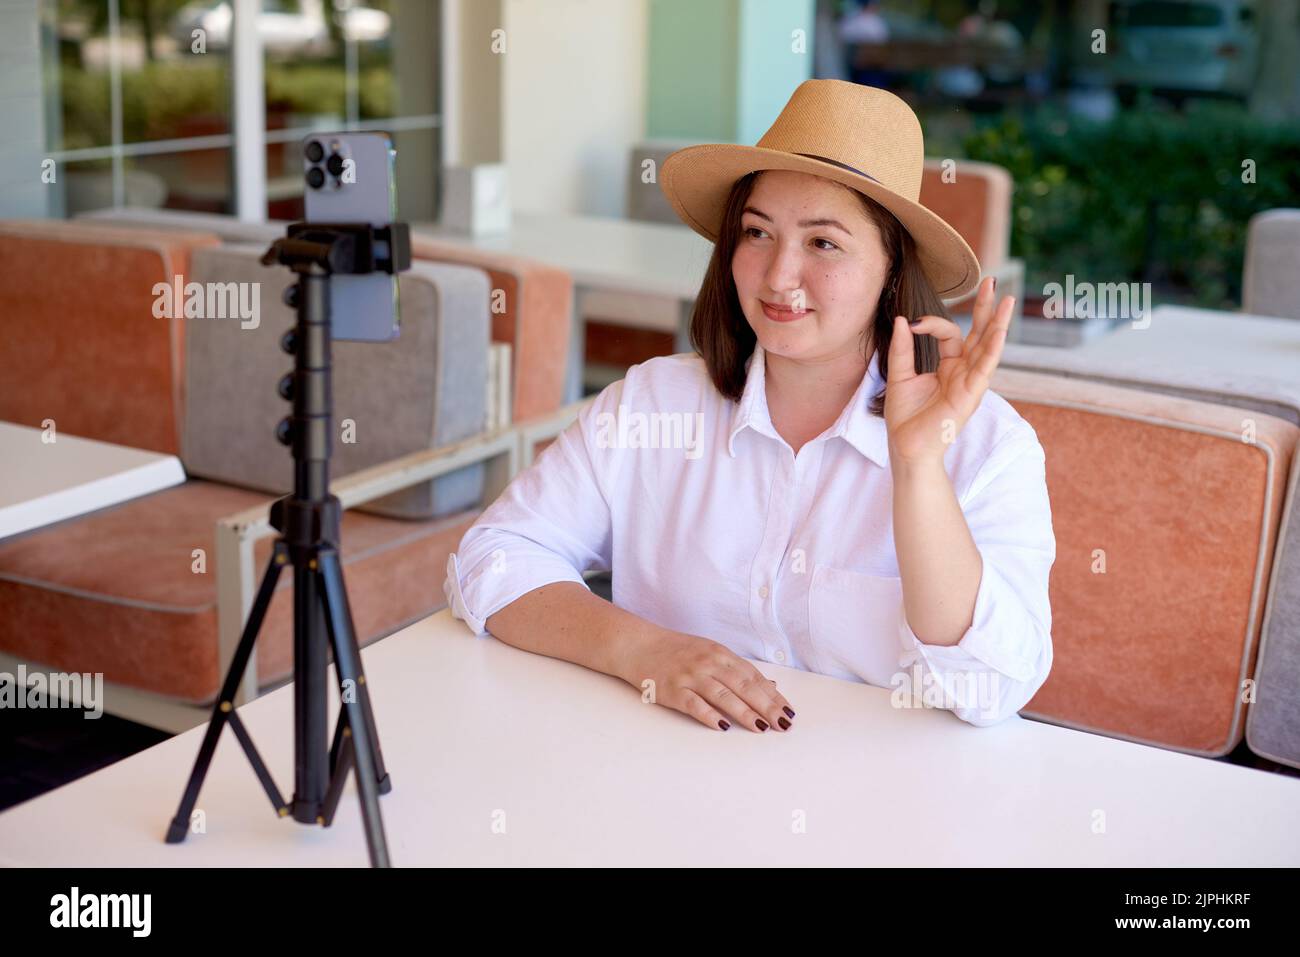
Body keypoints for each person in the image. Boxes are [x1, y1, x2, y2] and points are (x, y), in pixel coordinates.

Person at [444, 79, 1055, 733]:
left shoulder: (989, 446)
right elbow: (494, 556)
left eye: (823, 243)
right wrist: (642, 649)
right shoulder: (654, 403)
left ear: (891, 272)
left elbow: (990, 688)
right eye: (758, 232)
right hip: (662, 781)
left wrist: (917, 466)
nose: (777, 275)